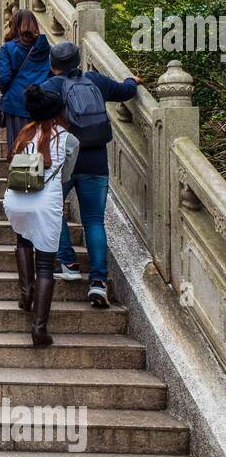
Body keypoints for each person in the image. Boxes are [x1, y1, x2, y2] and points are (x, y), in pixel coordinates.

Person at [41, 40, 142, 307]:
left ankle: (68, 261)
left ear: (53, 65)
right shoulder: (94, 80)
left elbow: (34, 111)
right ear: (78, 60)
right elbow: (124, 91)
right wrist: (132, 81)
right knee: (94, 221)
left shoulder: (51, 86)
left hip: (65, 159)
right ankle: (98, 282)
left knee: (51, 210)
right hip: (96, 159)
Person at [3, 85, 80, 346]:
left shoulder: (23, 134)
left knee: (23, 240)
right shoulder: (67, 138)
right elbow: (67, 173)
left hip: (15, 199)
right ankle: (39, 328)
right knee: (46, 265)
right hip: (46, 201)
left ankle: (26, 293)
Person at [0, 10, 52, 153]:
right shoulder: (46, 48)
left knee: (18, 148)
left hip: (16, 102)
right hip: (41, 104)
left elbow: (4, 78)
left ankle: (18, 175)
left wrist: (7, 91)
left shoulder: (7, 48)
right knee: (39, 149)